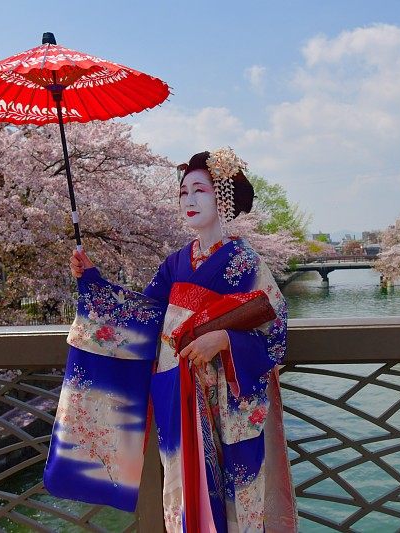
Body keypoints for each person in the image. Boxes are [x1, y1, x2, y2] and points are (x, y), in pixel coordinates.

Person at [52, 147, 298, 532]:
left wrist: (222, 339)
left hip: (227, 395)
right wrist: (93, 281)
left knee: (236, 492)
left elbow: (275, 326)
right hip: (178, 389)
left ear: (223, 197)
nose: (189, 199)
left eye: (199, 190)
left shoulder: (244, 260)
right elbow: (144, 315)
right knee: (181, 485)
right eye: (183, 192)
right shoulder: (175, 263)